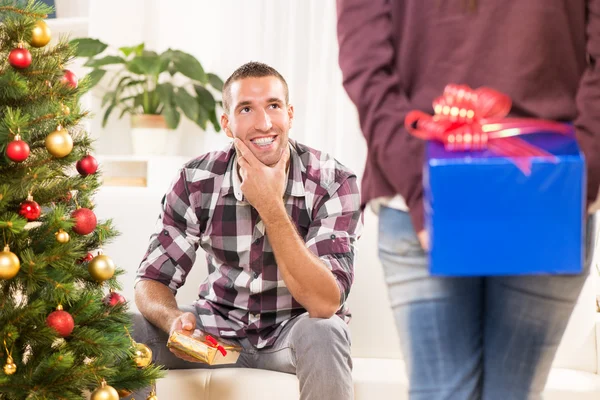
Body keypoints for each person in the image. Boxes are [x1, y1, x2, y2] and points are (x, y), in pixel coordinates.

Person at [336, 1, 599, 399]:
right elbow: (366, 64)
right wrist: (571, 181)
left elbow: (364, 62)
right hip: (541, 189)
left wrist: (575, 180)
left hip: (487, 191)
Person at [130, 61, 362, 400]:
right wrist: (173, 320)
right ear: (227, 123)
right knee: (123, 329)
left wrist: (270, 205)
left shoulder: (332, 181)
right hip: (216, 326)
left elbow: (324, 303)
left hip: (293, 332)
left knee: (326, 330)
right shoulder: (196, 179)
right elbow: (151, 279)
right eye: (246, 109)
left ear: (290, 114)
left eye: (273, 106)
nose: (264, 122)